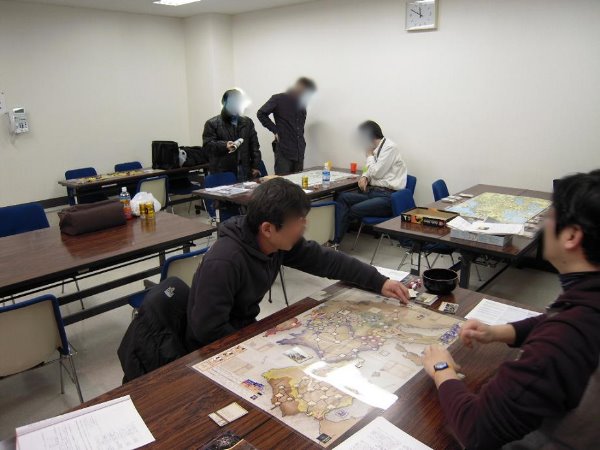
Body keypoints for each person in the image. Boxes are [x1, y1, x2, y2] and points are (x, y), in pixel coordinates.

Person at [421, 170, 600, 449]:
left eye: (550, 216)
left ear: (572, 235)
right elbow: (557, 318)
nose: (542, 225)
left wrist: (441, 369)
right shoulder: (587, 300)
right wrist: (497, 332)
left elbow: (476, 431)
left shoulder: (566, 337)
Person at [186, 178, 410, 349]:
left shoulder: (275, 243)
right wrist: (256, 343)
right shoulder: (224, 261)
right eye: (298, 221)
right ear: (268, 229)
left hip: (246, 332)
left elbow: (328, 261)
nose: (304, 226)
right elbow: (208, 330)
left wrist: (379, 281)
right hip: (210, 349)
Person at [326, 121, 407, 247]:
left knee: (353, 209)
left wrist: (369, 156)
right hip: (374, 192)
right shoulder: (378, 148)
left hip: (387, 197)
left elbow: (377, 173)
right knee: (342, 197)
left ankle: (336, 241)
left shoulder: (390, 148)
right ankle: (335, 241)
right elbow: (369, 169)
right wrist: (364, 176)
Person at [257, 77, 317, 175]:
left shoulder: (302, 104)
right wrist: (275, 130)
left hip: (299, 151)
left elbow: (299, 128)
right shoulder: (278, 99)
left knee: (298, 181)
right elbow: (261, 113)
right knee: (283, 181)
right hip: (283, 149)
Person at [203, 88, 262, 181]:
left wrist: (255, 166)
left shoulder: (247, 122)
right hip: (223, 172)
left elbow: (254, 146)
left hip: (245, 170)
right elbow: (207, 147)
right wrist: (224, 145)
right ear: (224, 103)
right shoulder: (212, 123)